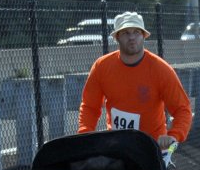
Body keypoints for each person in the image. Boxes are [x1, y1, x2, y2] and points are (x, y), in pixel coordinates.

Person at [77, 11, 192, 149]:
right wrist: (85, 135)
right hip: (116, 147)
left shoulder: (161, 69)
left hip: (152, 148)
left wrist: (173, 135)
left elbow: (182, 109)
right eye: (125, 33)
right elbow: (90, 106)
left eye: (136, 32)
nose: (132, 37)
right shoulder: (102, 66)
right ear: (117, 37)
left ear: (143, 35)